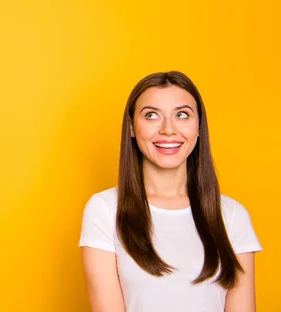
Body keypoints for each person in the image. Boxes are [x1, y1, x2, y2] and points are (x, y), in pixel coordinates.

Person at [80, 71, 261, 312]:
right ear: (132, 127)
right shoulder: (104, 209)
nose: (168, 129)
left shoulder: (232, 215)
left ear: (198, 128)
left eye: (182, 115)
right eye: (152, 115)